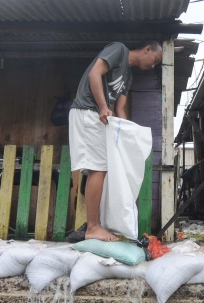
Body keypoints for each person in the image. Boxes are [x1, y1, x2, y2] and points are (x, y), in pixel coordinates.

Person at [69, 40, 162, 242]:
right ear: (147, 49)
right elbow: (95, 73)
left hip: (100, 117)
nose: (153, 66)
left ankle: (97, 224)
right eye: (155, 60)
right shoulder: (118, 50)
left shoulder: (128, 76)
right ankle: (93, 227)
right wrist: (103, 106)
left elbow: (119, 110)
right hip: (87, 111)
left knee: (103, 169)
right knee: (98, 168)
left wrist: (128, 139)